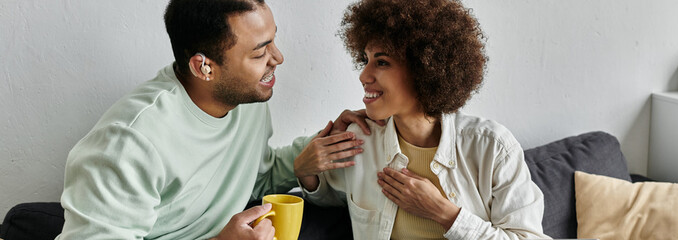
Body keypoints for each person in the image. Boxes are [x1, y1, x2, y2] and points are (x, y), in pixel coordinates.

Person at [56, 0, 381, 239]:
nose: (278, 58)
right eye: (259, 52)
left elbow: (254, 178)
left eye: (273, 40)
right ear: (204, 67)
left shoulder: (246, 98)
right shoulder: (130, 141)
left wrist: (310, 155)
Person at [299, 0, 550, 239]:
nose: (364, 75)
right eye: (365, 60)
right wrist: (304, 170)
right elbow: (325, 196)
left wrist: (443, 213)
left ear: (425, 69)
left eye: (382, 62)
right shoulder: (361, 139)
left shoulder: (493, 147)